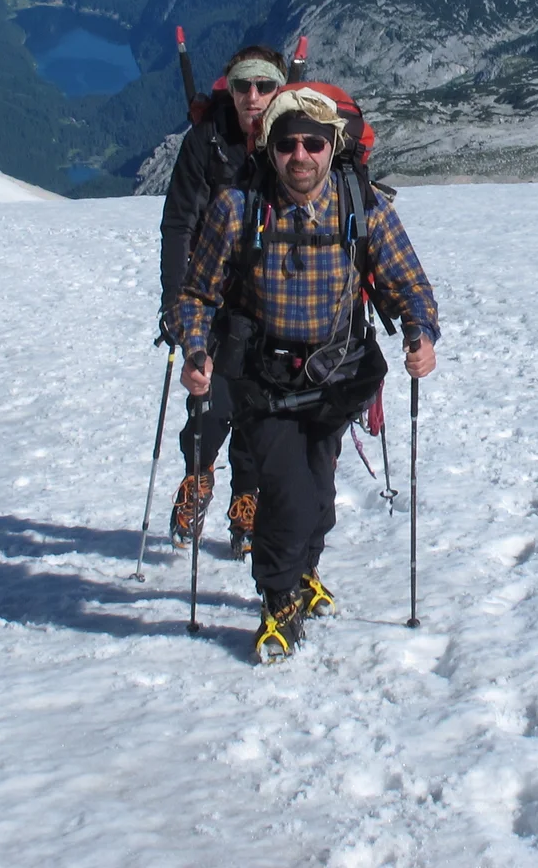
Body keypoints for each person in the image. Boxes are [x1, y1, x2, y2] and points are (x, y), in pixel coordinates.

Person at [174, 85, 438, 661]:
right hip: (259, 380)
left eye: (313, 144)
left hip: (335, 378)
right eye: (289, 143)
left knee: (318, 494)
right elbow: (196, 295)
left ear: (331, 146)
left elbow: (408, 284)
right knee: (290, 495)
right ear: (270, 149)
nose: (301, 155)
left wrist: (421, 333)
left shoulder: (362, 206)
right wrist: (198, 352)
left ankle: (305, 567)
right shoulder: (237, 208)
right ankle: (278, 597)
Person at [159, 45, 287, 558]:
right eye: (241, 86)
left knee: (260, 408)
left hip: (275, 299)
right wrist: (176, 301)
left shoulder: (294, 140)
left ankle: (246, 498)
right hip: (211, 295)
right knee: (210, 401)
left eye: (262, 86)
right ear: (228, 89)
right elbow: (178, 224)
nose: (251, 97)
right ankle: (199, 475)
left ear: (279, 88)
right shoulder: (205, 141)